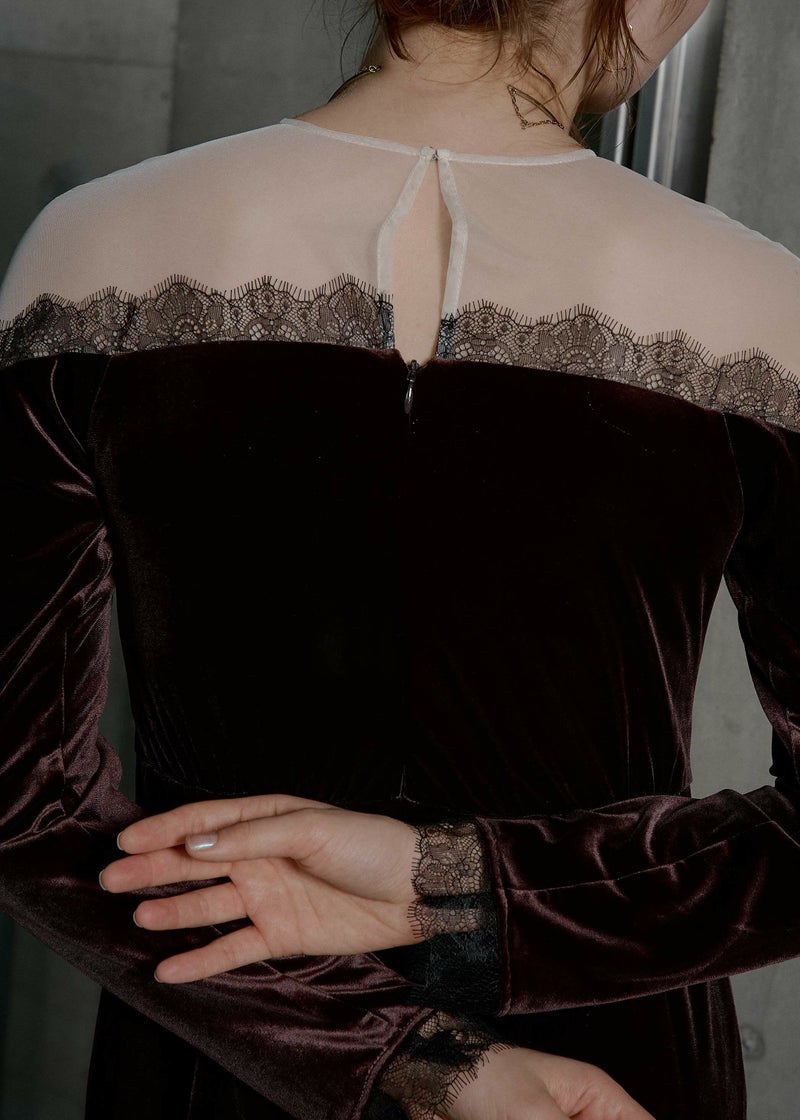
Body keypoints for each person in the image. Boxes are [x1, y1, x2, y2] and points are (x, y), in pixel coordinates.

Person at [1, 0, 798, 1116]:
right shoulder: (764, 307)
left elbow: (19, 798)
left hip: (228, 1039)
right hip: (611, 1068)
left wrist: (414, 1053)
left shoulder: (92, 248)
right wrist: (461, 896)